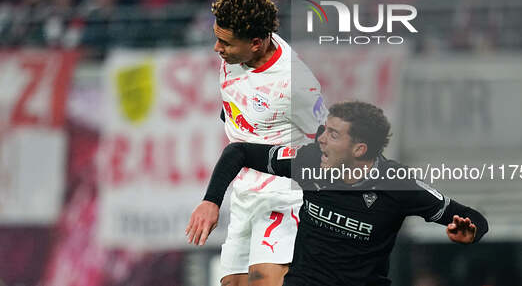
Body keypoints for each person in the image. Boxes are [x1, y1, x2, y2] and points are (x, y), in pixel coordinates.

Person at [186, 101, 489, 286]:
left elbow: (474, 219)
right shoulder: (309, 162)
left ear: (359, 149)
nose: (321, 140)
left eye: (332, 134)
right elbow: (238, 151)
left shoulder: (399, 184)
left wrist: (470, 232)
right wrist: (211, 200)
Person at [188, 0, 327, 286]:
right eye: (217, 38)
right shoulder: (238, 51)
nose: (217, 48)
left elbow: (328, 144)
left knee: (263, 281)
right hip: (244, 195)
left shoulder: (296, 84)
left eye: (225, 43)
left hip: (285, 195)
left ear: (255, 43)